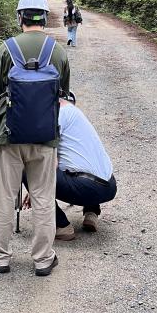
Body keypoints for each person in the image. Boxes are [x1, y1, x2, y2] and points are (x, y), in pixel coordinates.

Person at [0, 0, 70, 277]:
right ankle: (43, 258)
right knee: (44, 197)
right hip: (45, 136)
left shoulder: (6, 49)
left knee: (4, 196)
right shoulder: (57, 51)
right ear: (44, 17)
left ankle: (0, 256)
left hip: (8, 136)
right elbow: (64, 94)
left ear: (20, 16)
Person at [53, 96, 117, 240]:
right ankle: (92, 212)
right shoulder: (72, 111)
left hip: (88, 187)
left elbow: (49, 164)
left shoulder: (55, 116)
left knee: (29, 169)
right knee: (84, 162)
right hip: (110, 186)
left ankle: (61, 225)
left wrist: (37, 191)